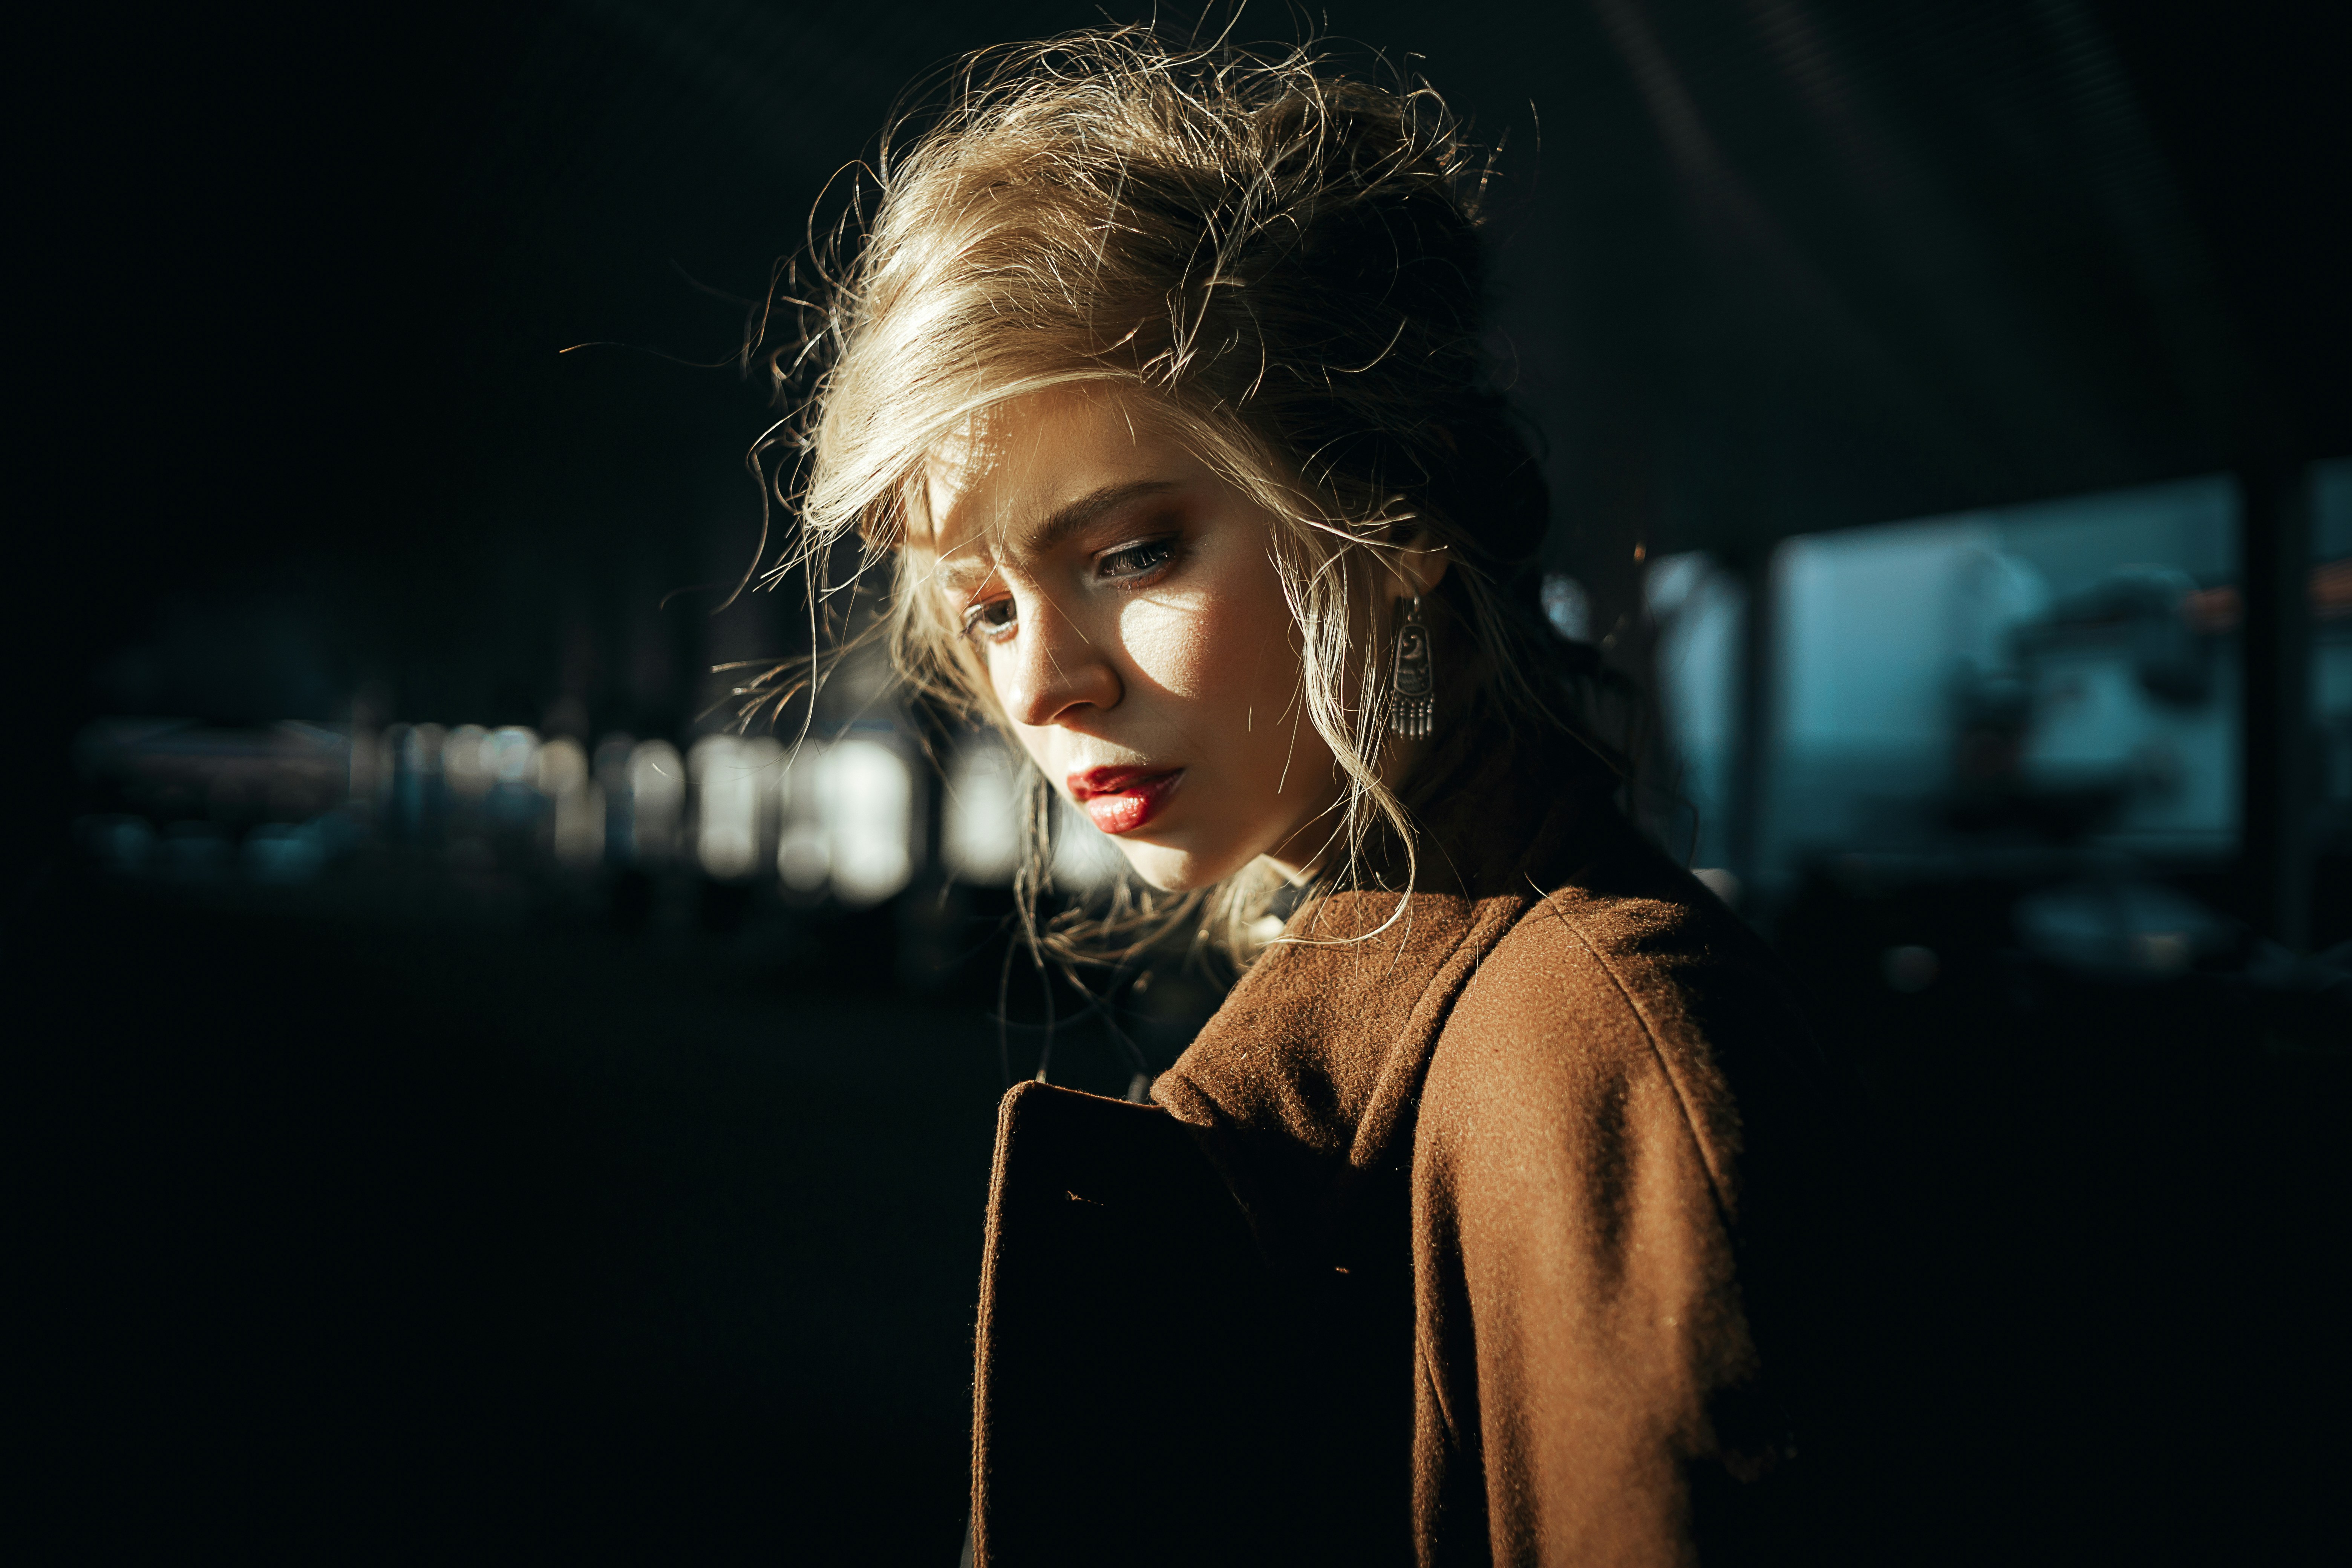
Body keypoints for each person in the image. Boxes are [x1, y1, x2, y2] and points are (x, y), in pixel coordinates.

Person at [755, 25, 1863, 1566]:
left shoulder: (1608, 1049)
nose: (1037, 684)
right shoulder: (1457, 996)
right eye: (990, 604)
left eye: (1130, 550)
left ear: (1387, 520)